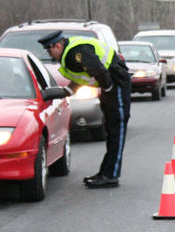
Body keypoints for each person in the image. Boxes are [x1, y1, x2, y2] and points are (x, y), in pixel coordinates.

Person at [38, 30, 131, 188]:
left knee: (117, 128)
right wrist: (49, 94)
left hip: (117, 82)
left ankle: (110, 175)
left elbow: (98, 70)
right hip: (111, 86)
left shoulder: (76, 52)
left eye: (50, 50)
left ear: (58, 45)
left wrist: (108, 90)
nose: (50, 54)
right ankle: (106, 172)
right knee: (111, 130)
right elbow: (81, 79)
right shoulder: (70, 53)